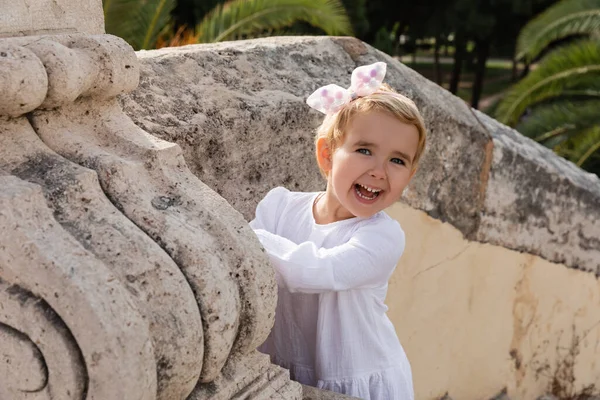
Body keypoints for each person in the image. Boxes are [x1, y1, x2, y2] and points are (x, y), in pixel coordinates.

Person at [250, 62, 427, 400]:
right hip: (286, 371)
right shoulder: (279, 207)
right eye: (364, 150)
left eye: (398, 160)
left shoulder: (383, 237)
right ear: (327, 155)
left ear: (409, 175)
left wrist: (246, 236)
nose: (379, 170)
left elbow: (315, 271)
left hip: (359, 382)